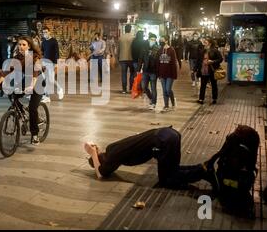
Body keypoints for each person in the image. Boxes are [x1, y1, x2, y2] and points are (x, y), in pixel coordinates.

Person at [84, 127, 217, 189]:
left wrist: (92, 153)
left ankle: (203, 172)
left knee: (167, 180)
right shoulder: (113, 148)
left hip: (163, 141)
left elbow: (100, 173)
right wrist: (95, 151)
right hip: (168, 133)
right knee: (171, 171)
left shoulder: (113, 155)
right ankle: (203, 167)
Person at [0, 36, 44, 145]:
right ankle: (24, 116)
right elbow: (7, 72)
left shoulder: (35, 57)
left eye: (24, 45)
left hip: (38, 82)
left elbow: (35, 75)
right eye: (19, 44)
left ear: (29, 46)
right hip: (26, 80)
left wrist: (31, 86)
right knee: (14, 97)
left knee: (32, 107)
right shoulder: (17, 58)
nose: (21, 46)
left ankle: (35, 135)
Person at [196, 37, 223, 105]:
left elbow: (220, 59)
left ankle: (214, 98)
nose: (204, 42)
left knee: (214, 85)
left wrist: (213, 61)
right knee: (203, 85)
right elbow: (199, 60)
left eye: (206, 41)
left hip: (212, 70)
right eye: (204, 41)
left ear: (210, 43)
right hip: (203, 70)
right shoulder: (203, 50)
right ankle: (201, 99)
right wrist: (195, 69)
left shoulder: (215, 50)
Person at [41, 26, 64, 102]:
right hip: (45, 62)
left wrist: (56, 63)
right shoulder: (43, 41)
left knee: (51, 80)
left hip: (52, 63)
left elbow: (57, 52)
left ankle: (60, 89)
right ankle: (46, 96)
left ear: (49, 32)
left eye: (46, 32)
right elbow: (42, 52)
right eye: (44, 32)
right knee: (44, 79)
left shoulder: (54, 41)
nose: (45, 33)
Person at [156, 36, 178, 112]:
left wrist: (174, 74)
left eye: (162, 40)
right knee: (164, 90)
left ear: (166, 41)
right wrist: (158, 73)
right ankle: (166, 105)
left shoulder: (171, 50)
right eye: (160, 40)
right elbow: (158, 62)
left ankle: (173, 102)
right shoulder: (159, 50)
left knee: (168, 89)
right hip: (162, 73)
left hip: (170, 74)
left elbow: (174, 63)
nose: (160, 41)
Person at [140, 33, 160, 110]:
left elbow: (158, 61)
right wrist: (138, 69)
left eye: (154, 40)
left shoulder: (157, 49)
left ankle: (154, 103)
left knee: (153, 88)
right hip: (145, 70)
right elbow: (140, 58)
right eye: (151, 39)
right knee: (144, 86)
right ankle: (151, 98)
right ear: (148, 40)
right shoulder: (144, 47)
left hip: (153, 71)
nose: (153, 41)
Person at [118, 24, 135, 94]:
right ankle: (131, 88)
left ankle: (124, 89)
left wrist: (118, 57)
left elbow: (119, 49)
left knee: (124, 74)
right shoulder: (133, 37)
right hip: (131, 58)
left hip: (122, 58)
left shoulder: (121, 38)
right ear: (130, 29)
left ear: (125, 29)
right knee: (132, 73)